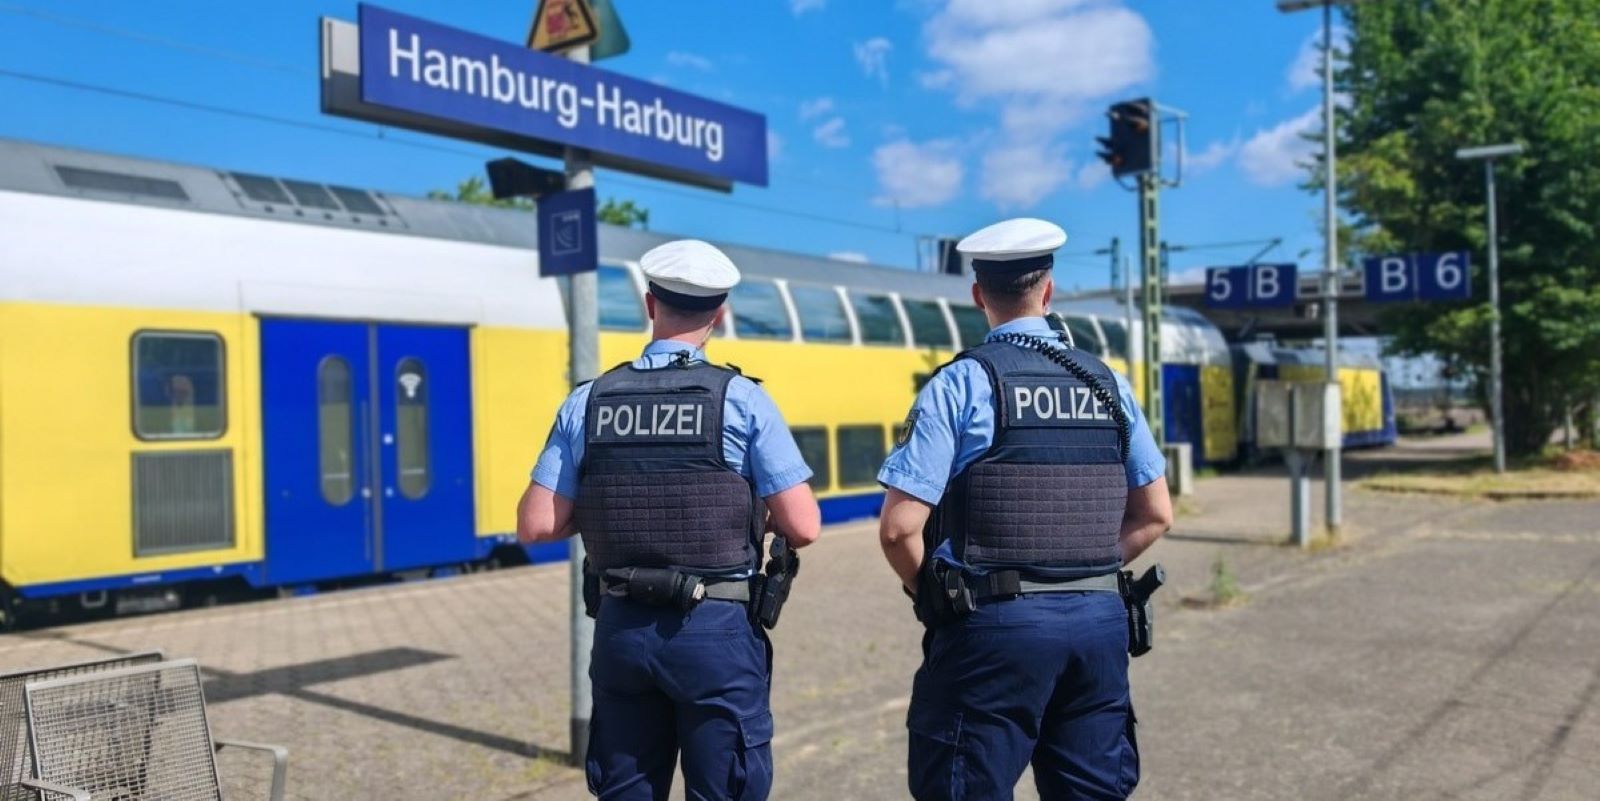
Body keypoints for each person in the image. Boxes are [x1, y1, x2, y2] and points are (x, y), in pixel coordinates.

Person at [877, 218, 1173, 800]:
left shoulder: (960, 384)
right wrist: (1080, 566)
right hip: (1098, 626)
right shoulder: (1108, 382)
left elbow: (899, 528)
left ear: (979, 295)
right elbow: (1156, 513)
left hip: (993, 627)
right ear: (1049, 290)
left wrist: (932, 595)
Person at [516, 239, 821, 801]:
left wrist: (611, 506)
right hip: (716, 630)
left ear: (649, 304)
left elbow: (536, 524)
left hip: (621, 626)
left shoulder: (588, 400)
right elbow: (802, 525)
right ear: (719, 314)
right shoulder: (743, 399)